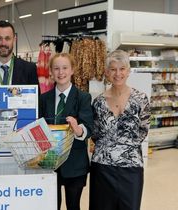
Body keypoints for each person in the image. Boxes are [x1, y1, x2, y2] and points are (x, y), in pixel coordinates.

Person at [90, 50, 150, 210]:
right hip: (102, 168)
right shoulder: (98, 102)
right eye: (113, 69)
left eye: (122, 68)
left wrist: (123, 147)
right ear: (106, 72)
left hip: (131, 168)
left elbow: (143, 130)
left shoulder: (141, 99)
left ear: (128, 71)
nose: (118, 73)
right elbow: (95, 133)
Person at [39, 53, 93, 210]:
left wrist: (77, 129)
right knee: (52, 205)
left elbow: (88, 128)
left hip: (75, 164)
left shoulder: (83, 97)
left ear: (72, 70)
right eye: (56, 68)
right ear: (50, 71)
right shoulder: (44, 98)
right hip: (50, 163)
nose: (60, 72)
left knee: (73, 206)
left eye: (64, 68)